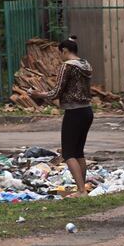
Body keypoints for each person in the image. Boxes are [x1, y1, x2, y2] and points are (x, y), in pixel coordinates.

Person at [28, 38, 94, 197]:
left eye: (60, 53)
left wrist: (38, 94)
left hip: (74, 112)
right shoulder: (86, 65)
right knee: (79, 152)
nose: (60, 57)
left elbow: (56, 92)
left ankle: (81, 190)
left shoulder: (67, 67)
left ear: (64, 50)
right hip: (87, 111)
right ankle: (82, 188)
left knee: (68, 153)